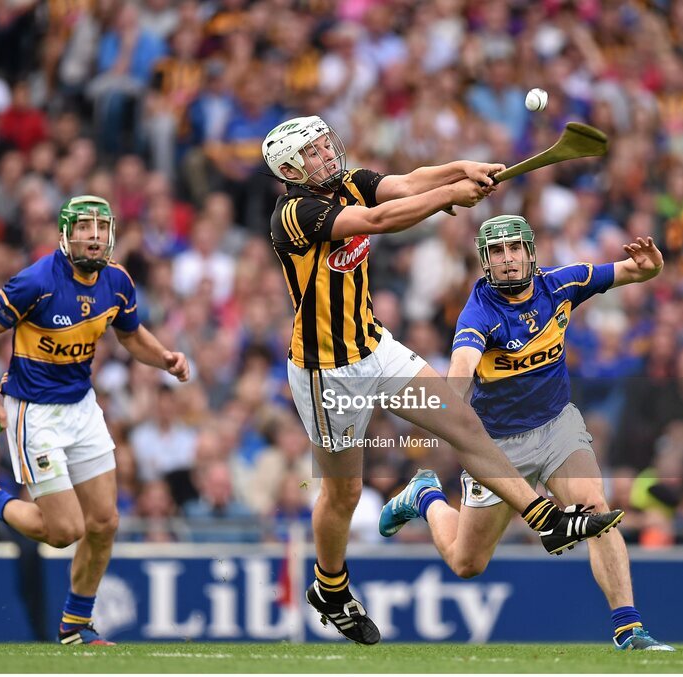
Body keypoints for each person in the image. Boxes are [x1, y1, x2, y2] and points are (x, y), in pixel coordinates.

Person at [262, 116, 623, 645]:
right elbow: (380, 219)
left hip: (375, 348)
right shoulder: (294, 213)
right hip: (327, 373)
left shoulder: (347, 181)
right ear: (291, 171)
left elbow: (407, 183)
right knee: (343, 492)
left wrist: (462, 169)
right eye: (313, 153)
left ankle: (544, 518)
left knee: (463, 424)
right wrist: (451, 195)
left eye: (323, 144)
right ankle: (331, 589)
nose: (326, 154)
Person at [380, 214, 674, 651]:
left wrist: (653, 265)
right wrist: (449, 402)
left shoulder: (562, 283)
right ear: (485, 262)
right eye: (497, 252)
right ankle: (425, 496)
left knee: (595, 509)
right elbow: (461, 366)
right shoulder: (479, 312)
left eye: (514, 247)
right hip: (497, 447)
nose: (508, 258)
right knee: (466, 563)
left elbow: (636, 270)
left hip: (557, 426)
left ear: (530, 252)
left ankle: (628, 629)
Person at [0, 195, 190, 645]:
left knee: (104, 523)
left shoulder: (117, 281)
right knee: (65, 531)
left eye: (101, 229)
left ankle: (75, 625)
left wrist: (163, 357)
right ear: (66, 235)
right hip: (35, 412)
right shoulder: (37, 282)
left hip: (82, 407)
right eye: (84, 228)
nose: (94, 237)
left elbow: (130, 334)